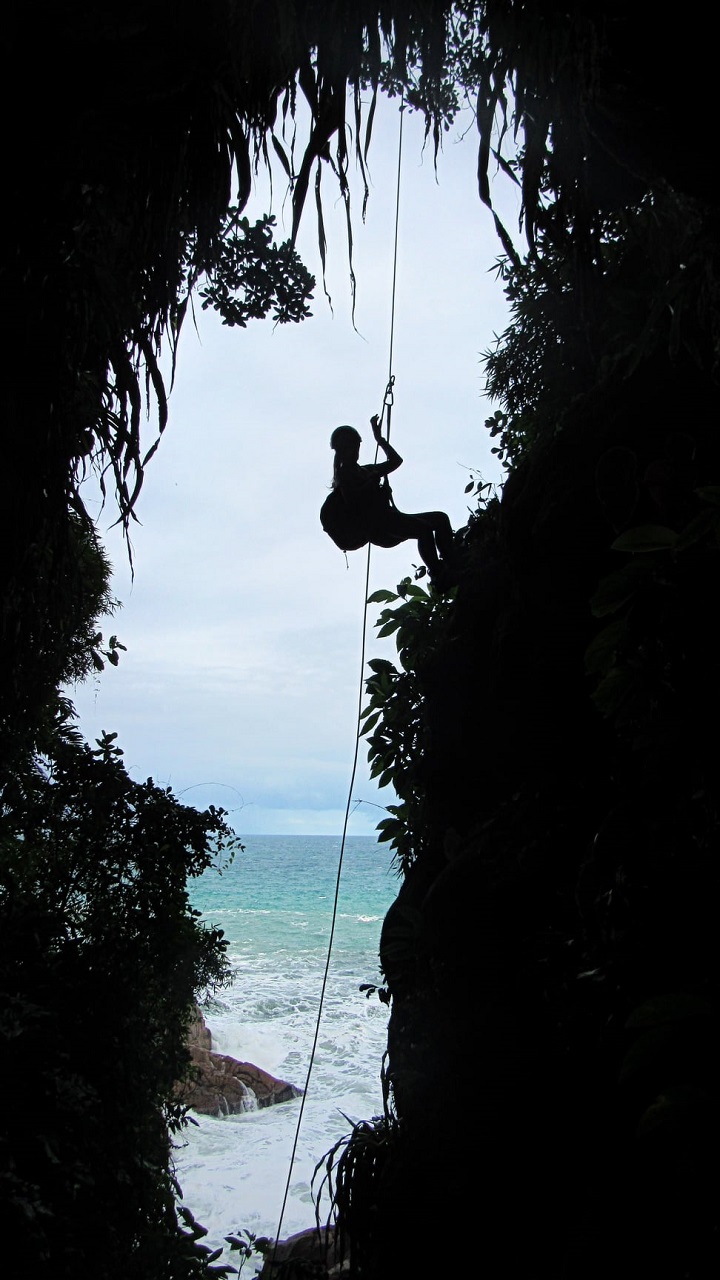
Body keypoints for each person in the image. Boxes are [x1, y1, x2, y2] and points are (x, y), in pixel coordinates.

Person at [329, 415, 455, 586]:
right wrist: (370, 483)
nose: (355, 452)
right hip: (379, 524)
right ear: (344, 450)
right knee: (423, 529)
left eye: (356, 447)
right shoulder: (344, 476)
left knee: (440, 519)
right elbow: (352, 501)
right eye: (352, 447)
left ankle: (452, 561)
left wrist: (380, 440)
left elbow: (396, 461)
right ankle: (439, 574)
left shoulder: (365, 470)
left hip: (389, 518)